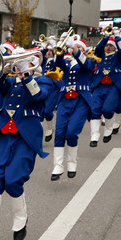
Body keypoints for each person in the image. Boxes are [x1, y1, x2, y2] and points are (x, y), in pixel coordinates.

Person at [0, 49, 52, 240]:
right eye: (19, 65)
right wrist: (4, 70)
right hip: (5, 132)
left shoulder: (44, 81)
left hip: (26, 136)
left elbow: (39, 95)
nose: (19, 68)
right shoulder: (10, 83)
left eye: (23, 63)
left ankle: (21, 217)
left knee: (13, 180)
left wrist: (27, 73)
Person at [50, 38, 95, 180]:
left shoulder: (90, 61)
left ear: (84, 50)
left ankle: (71, 162)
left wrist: (75, 50)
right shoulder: (67, 62)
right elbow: (58, 63)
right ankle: (58, 165)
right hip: (64, 99)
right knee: (59, 132)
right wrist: (59, 51)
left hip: (81, 100)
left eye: (79, 47)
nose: (76, 49)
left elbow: (85, 65)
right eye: (75, 47)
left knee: (71, 132)